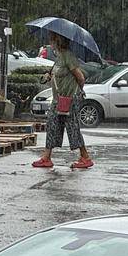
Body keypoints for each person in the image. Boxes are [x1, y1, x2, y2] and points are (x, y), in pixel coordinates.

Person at [34, 32, 93, 170]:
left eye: (52, 39)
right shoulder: (59, 57)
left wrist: (75, 91)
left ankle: (85, 157)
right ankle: (46, 157)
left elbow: (80, 77)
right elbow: (58, 74)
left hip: (69, 100)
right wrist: (50, 76)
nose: (50, 42)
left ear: (58, 41)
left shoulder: (68, 56)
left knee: (72, 128)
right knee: (52, 125)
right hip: (58, 100)